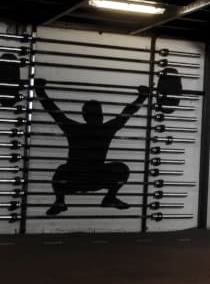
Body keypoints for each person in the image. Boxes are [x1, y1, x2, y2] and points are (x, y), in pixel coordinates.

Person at [34, 79, 148, 216]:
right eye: (97, 113)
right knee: (120, 169)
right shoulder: (105, 129)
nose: (98, 116)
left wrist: (40, 90)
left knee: (62, 170)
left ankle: (62, 201)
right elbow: (126, 113)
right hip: (90, 179)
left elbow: (53, 110)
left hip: (77, 181)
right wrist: (142, 97)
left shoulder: (75, 128)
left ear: (84, 116)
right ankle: (105, 198)